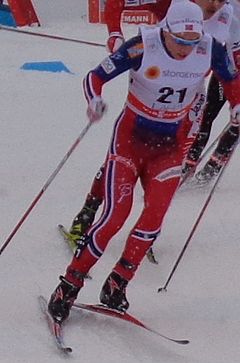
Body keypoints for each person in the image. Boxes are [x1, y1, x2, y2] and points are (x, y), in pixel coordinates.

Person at [48, 1, 240, 323]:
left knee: (154, 219)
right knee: (114, 218)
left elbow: (232, 82)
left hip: (170, 147)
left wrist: (236, 106)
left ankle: (117, 283)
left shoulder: (210, 48)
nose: (184, 50)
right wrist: (95, 100)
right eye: (179, 41)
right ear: (166, 31)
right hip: (131, 141)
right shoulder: (143, 45)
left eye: (191, 43)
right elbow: (95, 77)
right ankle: (69, 285)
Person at [182, 0, 240, 182]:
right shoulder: (230, 9)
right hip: (228, 70)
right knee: (207, 114)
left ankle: (212, 169)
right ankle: (187, 165)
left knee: (237, 123)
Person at [104, 0, 172, 53]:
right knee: (133, 53)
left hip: (167, 43)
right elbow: (112, 6)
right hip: (142, 48)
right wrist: (115, 34)